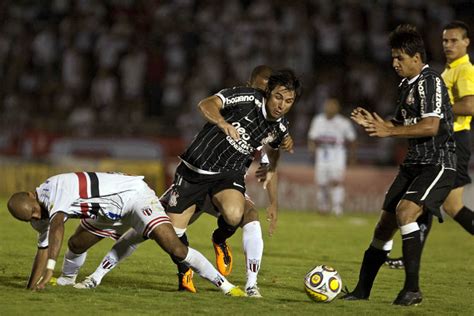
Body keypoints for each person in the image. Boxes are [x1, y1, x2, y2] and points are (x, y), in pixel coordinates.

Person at [342, 24, 456, 306]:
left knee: (406, 213)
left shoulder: (431, 81)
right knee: (384, 226)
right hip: (413, 163)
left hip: (438, 162)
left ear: (417, 58)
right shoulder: (406, 85)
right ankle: (361, 291)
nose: (394, 63)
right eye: (393, 57)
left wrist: (389, 132)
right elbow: (401, 124)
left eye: (399, 58)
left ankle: (412, 291)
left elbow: (430, 126)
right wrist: (377, 124)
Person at [7, 172, 245, 296]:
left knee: (176, 248)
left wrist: (49, 270)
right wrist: (30, 288)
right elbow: (43, 246)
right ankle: (68, 279)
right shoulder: (38, 213)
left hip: (134, 197)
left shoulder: (54, 190)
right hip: (107, 209)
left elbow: (58, 225)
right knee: (77, 243)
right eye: (32, 218)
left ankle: (225, 286)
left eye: (35, 212)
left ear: (31, 195)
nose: (38, 217)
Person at [385, 20, 474, 269]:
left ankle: (410, 261)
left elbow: (469, 106)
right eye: (445, 40)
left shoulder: (464, 70)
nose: (448, 45)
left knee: (449, 205)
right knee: (428, 203)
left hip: (454, 139)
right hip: (445, 139)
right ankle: (410, 257)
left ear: (467, 42)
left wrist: (433, 110)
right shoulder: (447, 71)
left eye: (454, 40)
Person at [307, 98, 356, 215]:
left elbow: (352, 140)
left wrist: (352, 156)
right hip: (322, 156)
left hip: (338, 156)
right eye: (328, 106)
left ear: (337, 108)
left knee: (336, 182)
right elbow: (312, 137)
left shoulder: (343, 123)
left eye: (332, 106)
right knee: (322, 183)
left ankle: (337, 207)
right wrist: (312, 149)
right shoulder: (318, 120)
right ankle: (322, 206)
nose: (329, 109)